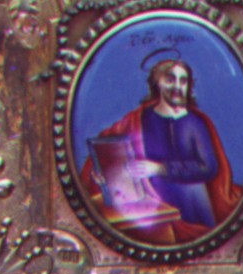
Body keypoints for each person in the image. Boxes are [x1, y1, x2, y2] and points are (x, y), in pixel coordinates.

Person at [87, 54, 231, 245]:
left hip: (192, 205)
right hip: (150, 208)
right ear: (157, 83)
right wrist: (105, 174)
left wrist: (160, 168)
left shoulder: (196, 123)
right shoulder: (139, 120)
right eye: (170, 80)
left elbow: (209, 168)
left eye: (183, 81)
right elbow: (112, 154)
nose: (177, 87)